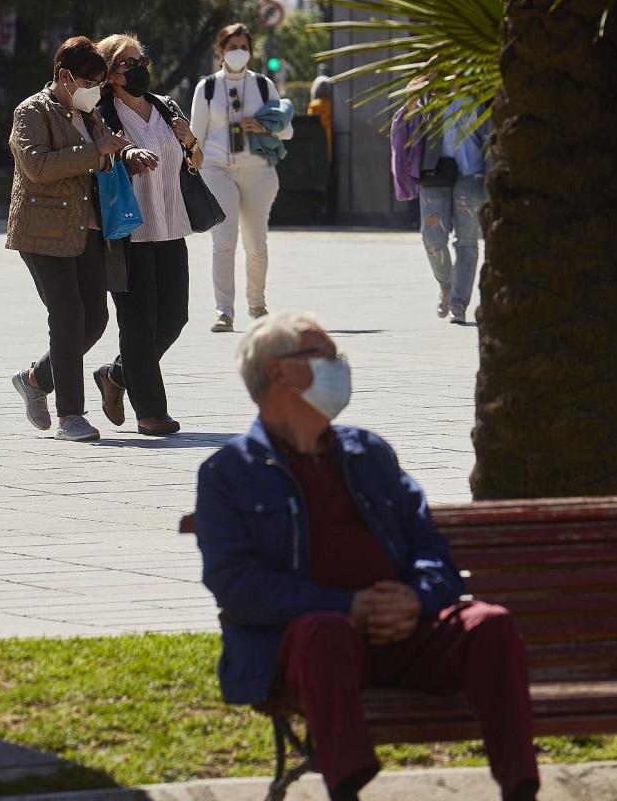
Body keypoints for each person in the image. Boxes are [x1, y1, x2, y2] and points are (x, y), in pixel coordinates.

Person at [194, 312, 539, 801]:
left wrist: (414, 600)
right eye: (327, 356)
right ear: (278, 372)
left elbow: (431, 549)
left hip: (406, 634)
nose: (341, 367)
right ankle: (348, 789)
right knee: (325, 632)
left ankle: (521, 789)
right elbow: (237, 585)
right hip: (309, 649)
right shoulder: (227, 472)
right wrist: (346, 607)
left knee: (489, 623)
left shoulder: (369, 452)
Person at [6, 37, 141, 443]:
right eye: (88, 81)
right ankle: (71, 415)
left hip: (89, 230)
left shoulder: (89, 113)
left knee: (94, 320)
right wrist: (93, 150)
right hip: (43, 231)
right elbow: (36, 165)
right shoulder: (32, 110)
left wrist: (126, 154)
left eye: (100, 82)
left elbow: (103, 153)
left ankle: (35, 378)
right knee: (66, 317)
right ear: (64, 76)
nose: (95, 90)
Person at [92, 33, 202, 438]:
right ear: (109, 74)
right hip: (128, 229)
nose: (136, 69)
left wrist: (189, 139)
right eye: (125, 63)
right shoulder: (102, 112)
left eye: (140, 61)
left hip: (171, 224)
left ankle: (116, 375)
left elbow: (196, 160)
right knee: (138, 323)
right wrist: (126, 155)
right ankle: (151, 413)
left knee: (174, 317)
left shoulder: (164, 107)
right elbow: (100, 156)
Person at [189, 23, 294, 332]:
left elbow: (287, 129)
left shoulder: (263, 86)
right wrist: (191, 169)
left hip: (258, 169)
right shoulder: (206, 87)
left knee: (256, 244)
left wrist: (264, 127)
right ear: (220, 50)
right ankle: (224, 311)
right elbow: (196, 135)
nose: (239, 52)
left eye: (244, 47)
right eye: (232, 46)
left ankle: (257, 302)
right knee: (224, 241)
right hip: (217, 168)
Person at [391, 89, 490, 323]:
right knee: (432, 238)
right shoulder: (430, 92)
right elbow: (405, 122)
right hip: (434, 170)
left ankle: (458, 302)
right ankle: (447, 284)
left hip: (471, 172)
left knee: (466, 241)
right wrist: (414, 97)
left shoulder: (481, 92)